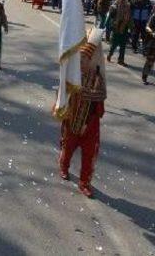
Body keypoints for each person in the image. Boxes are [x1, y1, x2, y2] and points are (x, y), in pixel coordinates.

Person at [59, 27, 107, 198]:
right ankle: (64, 167)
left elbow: (101, 95)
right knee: (68, 148)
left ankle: (85, 182)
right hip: (73, 119)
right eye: (79, 60)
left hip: (91, 122)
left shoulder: (97, 77)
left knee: (89, 155)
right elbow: (64, 94)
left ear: (91, 60)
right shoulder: (72, 76)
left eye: (85, 60)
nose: (82, 63)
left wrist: (84, 93)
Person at [106, 0, 131, 66]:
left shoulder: (127, 6)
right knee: (114, 43)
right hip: (116, 27)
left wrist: (130, 26)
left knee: (123, 45)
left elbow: (129, 17)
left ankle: (121, 60)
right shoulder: (114, 6)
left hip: (124, 27)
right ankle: (110, 54)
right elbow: (111, 16)